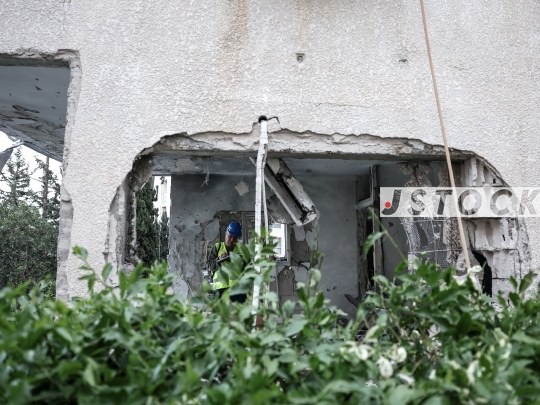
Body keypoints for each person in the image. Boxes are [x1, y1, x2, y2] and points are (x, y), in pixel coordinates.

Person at [209, 221, 247, 303]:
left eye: (235, 238)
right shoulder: (217, 247)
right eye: (230, 236)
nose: (232, 239)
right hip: (220, 288)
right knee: (218, 310)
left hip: (237, 288)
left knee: (240, 310)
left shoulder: (241, 250)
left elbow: (247, 268)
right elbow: (209, 265)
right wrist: (219, 259)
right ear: (226, 234)